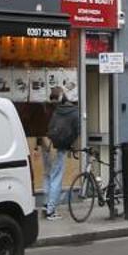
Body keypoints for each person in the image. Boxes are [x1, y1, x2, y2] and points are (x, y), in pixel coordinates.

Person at [42, 91, 80, 219]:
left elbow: (50, 127)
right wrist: (74, 146)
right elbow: (77, 132)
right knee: (56, 178)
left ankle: (46, 204)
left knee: (48, 176)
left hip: (47, 145)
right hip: (60, 148)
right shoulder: (74, 113)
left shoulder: (56, 111)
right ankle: (51, 211)